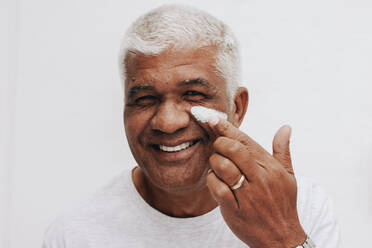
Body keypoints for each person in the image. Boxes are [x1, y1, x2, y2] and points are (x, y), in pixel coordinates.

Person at [43, 4, 340, 248]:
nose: (167, 122)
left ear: (236, 108)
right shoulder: (76, 233)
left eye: (193, 95)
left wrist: (283, 239)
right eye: (145, 98)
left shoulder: (301, 209)